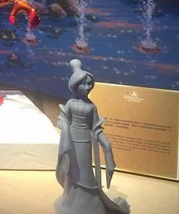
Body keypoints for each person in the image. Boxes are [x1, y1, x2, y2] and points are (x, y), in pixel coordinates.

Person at [54, 59, 130, 214]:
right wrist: (66, 132)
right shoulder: (70, 103)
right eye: (84, 84)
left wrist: (106, 146)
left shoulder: (91, 107)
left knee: (85, 171)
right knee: (72, 171)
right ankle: (71, 202)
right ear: (75, 85)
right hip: (71, 142)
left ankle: (88, 204)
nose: (88, 87)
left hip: (85, 143)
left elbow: (96, 129)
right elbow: (62, 120)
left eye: (89, 84)